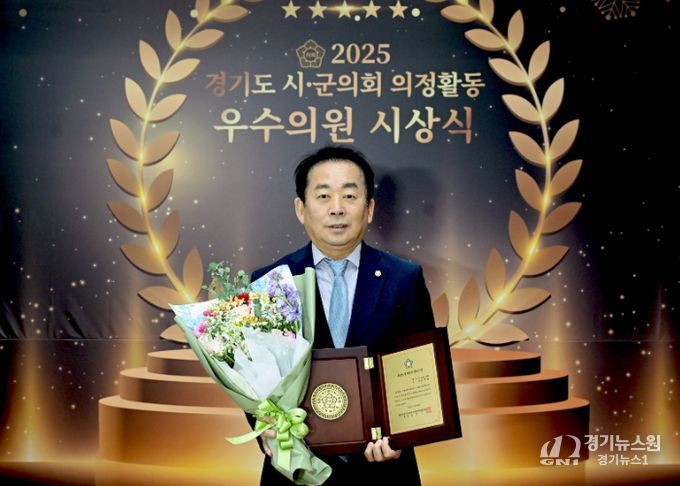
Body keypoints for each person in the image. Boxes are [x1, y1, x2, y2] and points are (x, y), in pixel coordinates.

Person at [251, 146, 435, 485]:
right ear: (301, 209)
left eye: (350, 195)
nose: (337, 208)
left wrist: (402, 436)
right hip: (296, 468)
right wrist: (265, 425)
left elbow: (419, 372)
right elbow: (254, 375)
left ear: (369, 209)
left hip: (383, 469)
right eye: (323, 196)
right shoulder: (272, 281)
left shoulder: (404, 278)